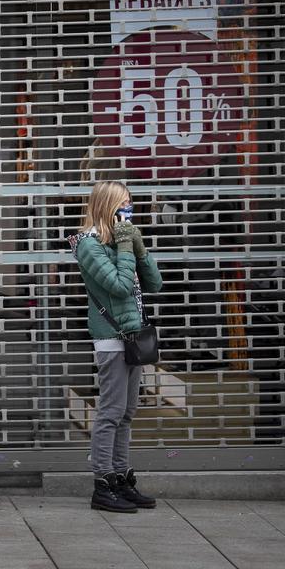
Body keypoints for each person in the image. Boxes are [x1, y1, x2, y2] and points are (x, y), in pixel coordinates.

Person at [69, 181, 163, 513]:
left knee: (127, 413)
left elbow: (155, 283)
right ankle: (103, 483)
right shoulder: (88, 246)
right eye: (124, 203)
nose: (130, 209)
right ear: (107, 206)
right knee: (110, 412)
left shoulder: (119, 241)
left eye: (130, 203)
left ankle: (123, 478)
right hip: (111, 340)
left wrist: (139, 249)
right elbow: (121, 287)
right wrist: (125, 247)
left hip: (134, 338)